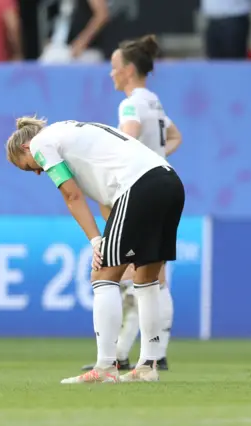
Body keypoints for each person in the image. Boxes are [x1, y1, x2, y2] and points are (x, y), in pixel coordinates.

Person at [6, 117, 185, 383]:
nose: (37, 172)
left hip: (140, 186)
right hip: (170, 182)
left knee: (103, 276)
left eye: (28, 167)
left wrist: (95, 240)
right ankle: (147, 367)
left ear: (25, 148)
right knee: (146, 279)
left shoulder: (42, 144)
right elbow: (107, 197)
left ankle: (104, 368)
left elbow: (72, 195)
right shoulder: (70, 131)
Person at [80, 34, 182, 372]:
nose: (111, 74)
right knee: (154, 276)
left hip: (137, 191)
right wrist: (160, 157)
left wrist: (123, 159)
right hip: (163, 186)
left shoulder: (130, 104)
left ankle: (117, 354)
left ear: (127, 70)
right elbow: (174, 136)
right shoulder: (154, 101)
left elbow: (127, 136)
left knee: (116, 276)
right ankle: (154, 353)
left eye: (113, 68)